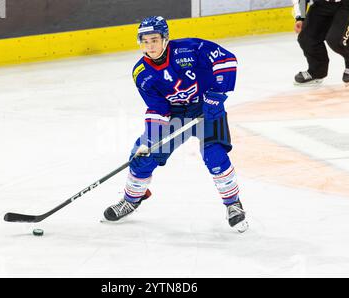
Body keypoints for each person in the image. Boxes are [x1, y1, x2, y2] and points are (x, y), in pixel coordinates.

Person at [102, 16, 248, 232]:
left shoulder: (190, 49)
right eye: (145, 41)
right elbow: (158, 108)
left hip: (207, 106)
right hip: (175, 114)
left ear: (165, 38)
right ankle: (132, 199)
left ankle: (233, 204)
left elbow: (226, 60)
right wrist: (151, 138)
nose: (150, 46)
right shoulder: (142, 74)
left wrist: (217, 93)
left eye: (154, 40)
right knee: (142, 158)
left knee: (215, 155)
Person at [293, 0, 349, 85]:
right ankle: (317, 72)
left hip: (346, 5)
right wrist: (300, 18)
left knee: (336, 40)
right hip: (321, 4)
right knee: (306, 37)